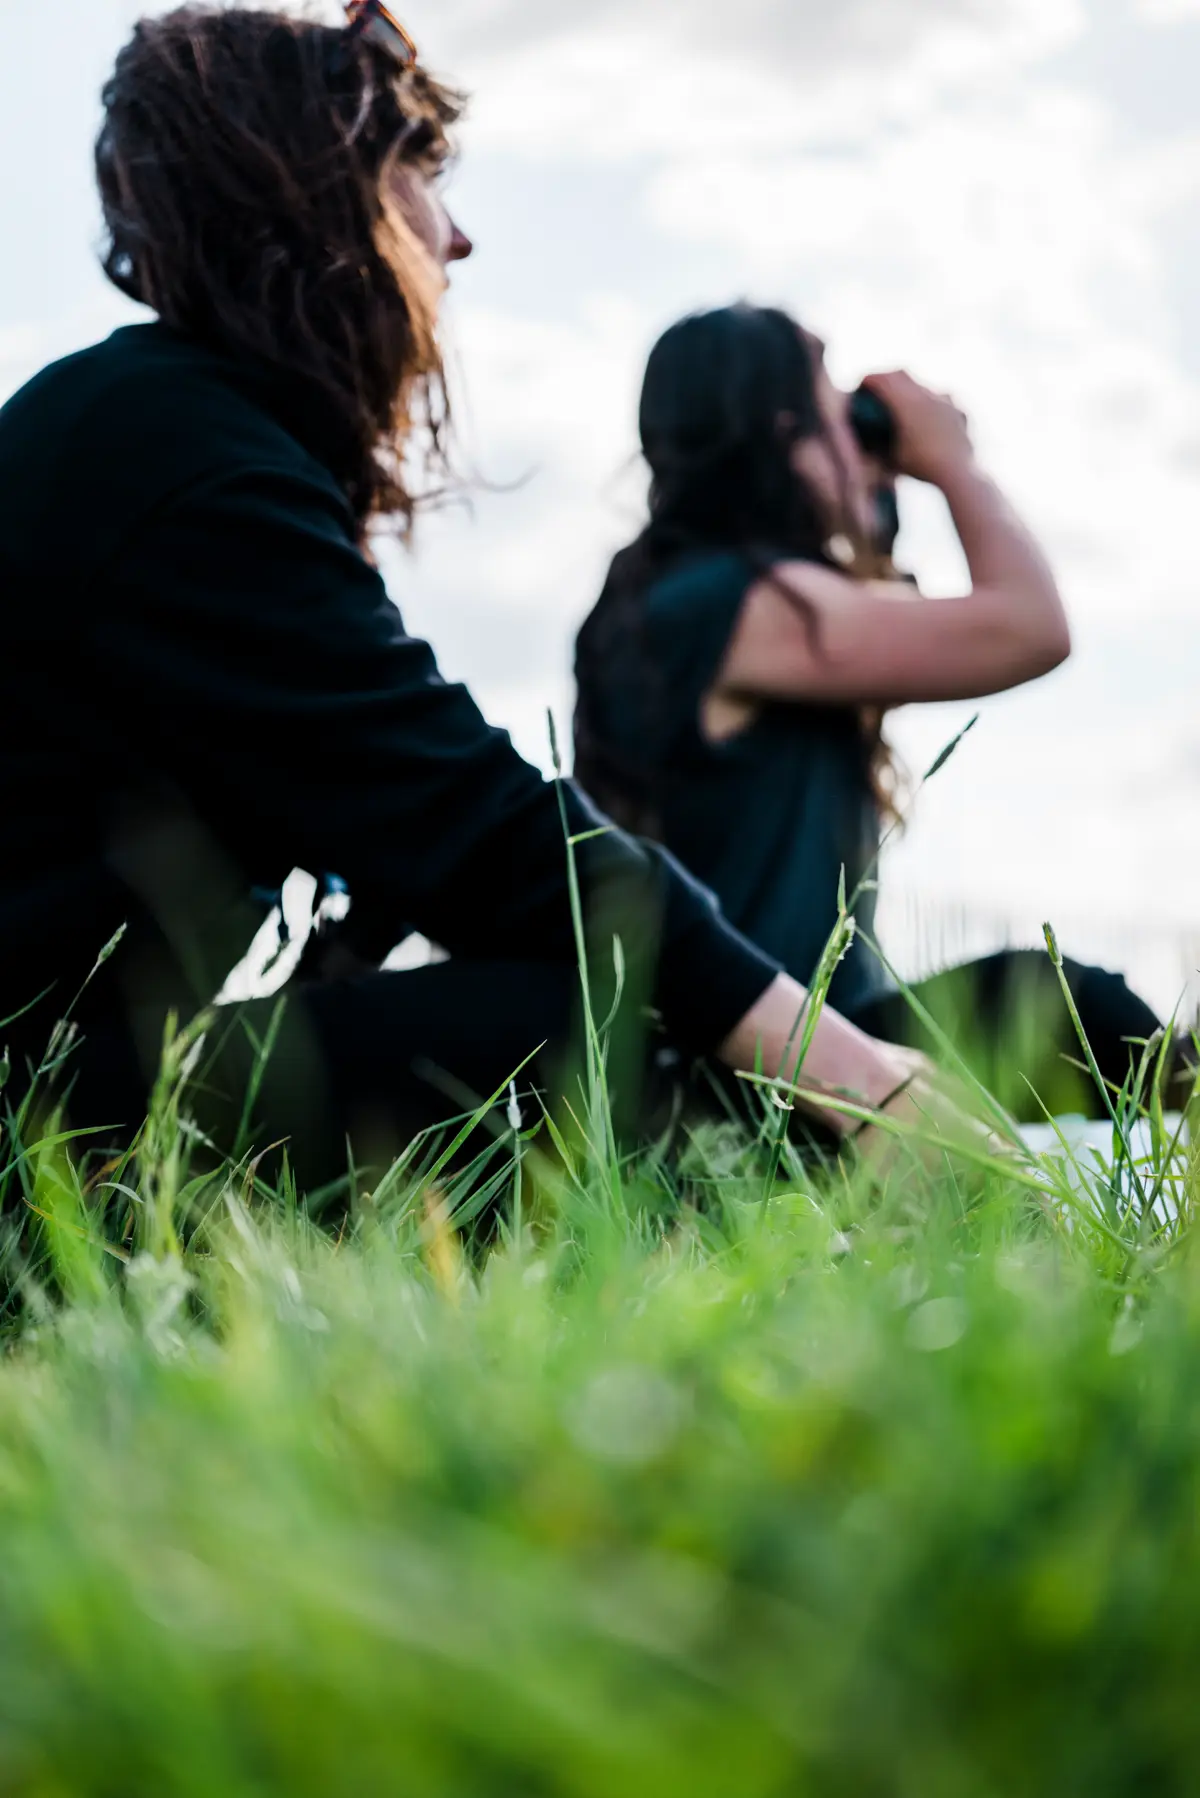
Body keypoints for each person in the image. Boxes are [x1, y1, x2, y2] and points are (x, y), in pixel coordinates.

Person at [0, 4, 975, 1193]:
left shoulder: (175, 440)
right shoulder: (168, 450)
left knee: (590, 1008)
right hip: (31, 1122)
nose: (456, 241)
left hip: (66, 1090)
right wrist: (852, 1076)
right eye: (420, 175)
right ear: (320, 192)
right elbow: (476, 825)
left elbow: (393, 839)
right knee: (576, 1024)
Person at [574, 304, 1176, 1121]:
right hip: (762, 1065)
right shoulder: (735, 604)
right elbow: (1028, 629)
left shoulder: (671, 601)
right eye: (842, 423)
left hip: (766, 1046)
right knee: (1067, 1003)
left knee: (1058, 1006)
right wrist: (954, 464)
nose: (866, 452)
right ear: (782, 437)